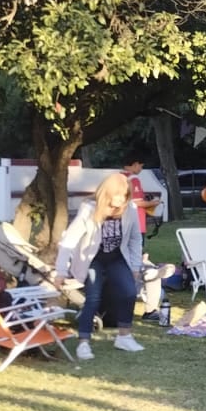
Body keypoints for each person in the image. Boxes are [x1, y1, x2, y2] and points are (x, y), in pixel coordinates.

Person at [55, 174, 145, 360]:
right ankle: (84, 343)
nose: (121, 200)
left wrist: (136, 266)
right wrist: (61, 271)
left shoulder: (130, 209)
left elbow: (136, 238)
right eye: (118, 195)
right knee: (93, 299)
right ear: (108, 193)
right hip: (92, 260)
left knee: (129, 292)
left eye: (125, 195)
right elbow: (68, 242)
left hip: (117, 258)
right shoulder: (89, 210)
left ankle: (124, 337)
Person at [122, 153, 161, 236]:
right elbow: (136, 202)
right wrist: (154, 203)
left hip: (123, 221)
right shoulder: (134, 180)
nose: (141, 169)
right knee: (137, 247)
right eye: (141, 166)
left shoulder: (118, 177)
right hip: (136, 222)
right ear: (135, 164)